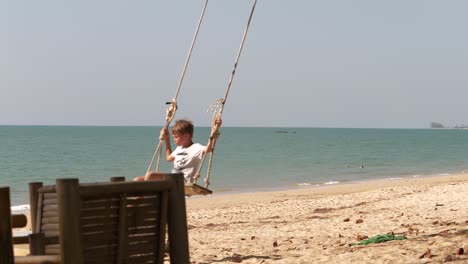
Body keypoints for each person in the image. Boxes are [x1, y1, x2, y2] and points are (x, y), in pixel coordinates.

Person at [135, 118, 221, 183]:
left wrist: (214, 131)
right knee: (137, 180)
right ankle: (138, 202)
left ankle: (152, 198)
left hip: (182, 181)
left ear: (186, 136)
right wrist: (167, 140)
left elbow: (209, 149)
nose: (174, 139)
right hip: (173, 178)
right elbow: (168, 158)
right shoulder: (179, 148)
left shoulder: (196, 147)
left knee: (150, 175)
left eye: (176, 137)